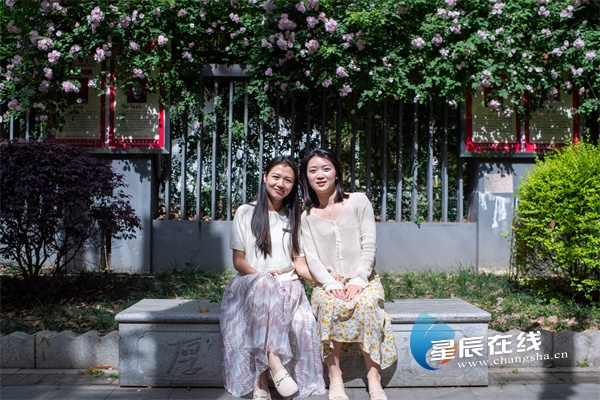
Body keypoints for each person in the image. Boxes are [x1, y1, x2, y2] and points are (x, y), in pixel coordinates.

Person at [220, 156, 326, 400]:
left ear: (293, 185)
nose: (281, 184)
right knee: (264, 286)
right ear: (265, 177)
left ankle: (262, 384)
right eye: (276, 177)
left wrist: (328, 281)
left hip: (288, 288)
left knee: (303, 322)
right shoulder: (245, 213)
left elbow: (299, 264)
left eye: (288, 180)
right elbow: (239, 262)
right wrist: (262, 277)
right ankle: (273, 365)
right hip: (250, 284)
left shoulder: (294, 217)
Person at [299, 148, 397, 400]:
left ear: (337, 173)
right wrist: (330, 283)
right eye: (313, 170)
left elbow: (369, 244)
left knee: (364, 305)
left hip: (365, 280)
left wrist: (359, 279)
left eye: (326, 168)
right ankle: (335, 376)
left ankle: (373, 376)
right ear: (306, 177)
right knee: (330, 307)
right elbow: (312, 258)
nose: (320, 175)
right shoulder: (306, 217)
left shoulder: (358, 201)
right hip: (327, 284)